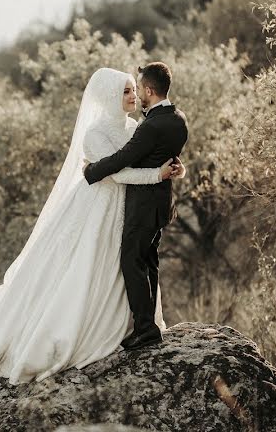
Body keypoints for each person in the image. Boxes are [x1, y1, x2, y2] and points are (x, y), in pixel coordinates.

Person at [0, 67, 185, 401]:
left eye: (133, 90)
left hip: (128, 207)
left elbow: (147, 153)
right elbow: (117, 174)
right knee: (88, 262)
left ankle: (137, 324)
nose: (132, 96)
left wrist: (166, 169)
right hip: (99, 205)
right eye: (126, 92)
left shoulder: (136, 127)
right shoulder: (95, 134)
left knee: (127, 261)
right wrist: (155, 175)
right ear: (108, 97)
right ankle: (90, 327)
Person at [83, 62, 189, 351]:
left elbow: (121, 159)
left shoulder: (150, 127)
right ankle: (150, 323)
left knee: (132, 260)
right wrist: (177, 170)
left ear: (150, 90)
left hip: (142, 205)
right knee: (149, 261)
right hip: (161, 204)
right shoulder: (179, 119)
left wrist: (91, 171)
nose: (137, 93)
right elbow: (167, 157)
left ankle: (145, 328)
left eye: (139, 88)